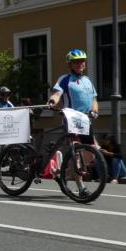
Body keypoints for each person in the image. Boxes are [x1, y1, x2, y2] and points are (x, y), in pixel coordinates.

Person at [47, 49, 99, 199]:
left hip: (85, 121)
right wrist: (52, 101)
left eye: (82, 61)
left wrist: (95, 110)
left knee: (93, 154)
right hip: (71, 120)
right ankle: (81, 188)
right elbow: (57, 93)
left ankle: (61, 173)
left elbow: (94, 99)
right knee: (76, 154)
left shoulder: (87, 80)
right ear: (70, 64)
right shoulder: (65, 79)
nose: (80, 64)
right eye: (76, 62)